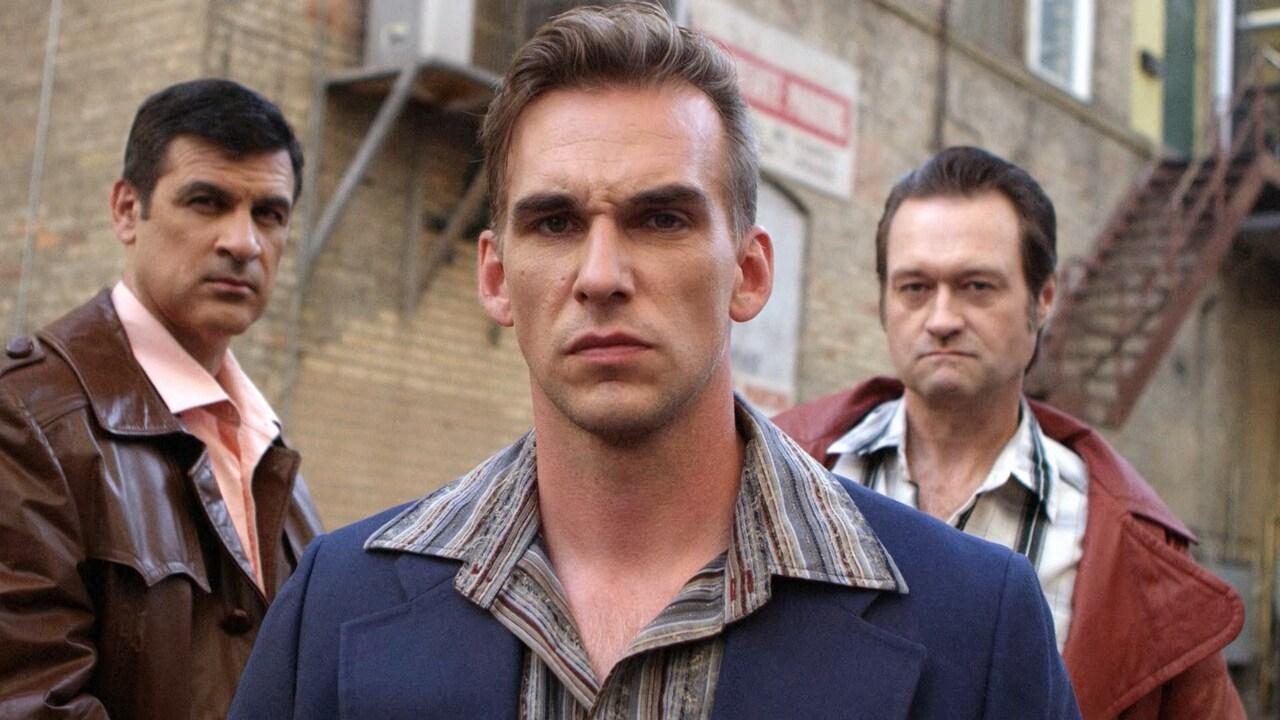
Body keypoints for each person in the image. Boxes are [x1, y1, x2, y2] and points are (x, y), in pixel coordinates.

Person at [230, 6, 1078, 718]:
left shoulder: (977, 623)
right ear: (496, 277)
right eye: (555, 223)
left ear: (749, 273)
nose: (601, 276)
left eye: (661, 219)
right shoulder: (334, 604)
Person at [774, 146, 1245, 719]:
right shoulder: (784, 475)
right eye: (915, 287)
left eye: (976, 286)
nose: (942, 319)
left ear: (1042, 300)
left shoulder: (1130, 548)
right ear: (883, 302)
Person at [0, 78, 323, 719]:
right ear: (127, 210)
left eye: (269, 213)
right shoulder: (28, 417)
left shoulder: (265, 441)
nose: (243, 242)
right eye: (207, 202)